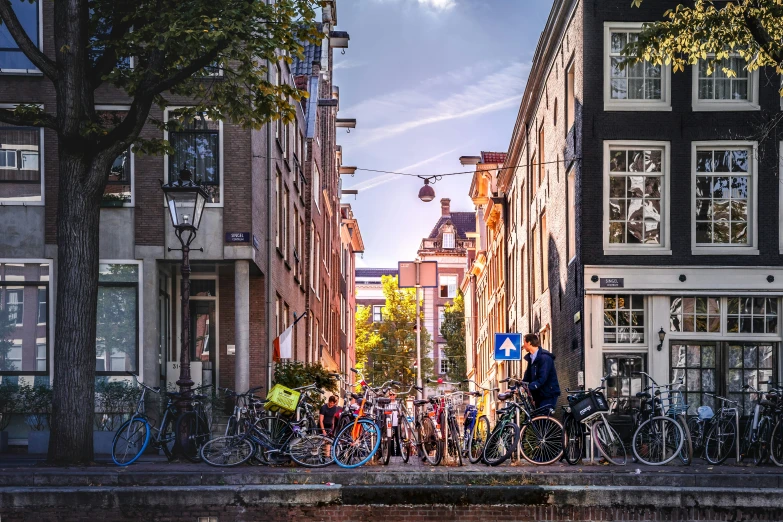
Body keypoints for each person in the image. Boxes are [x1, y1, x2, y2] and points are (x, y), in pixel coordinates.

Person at [521, 333, 560, 411]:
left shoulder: (545, 358)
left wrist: (527, 387)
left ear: (529, 343)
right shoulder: (531, 359)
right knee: (536, 420)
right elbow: (526, 378)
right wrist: (517, 388)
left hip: (548, 394)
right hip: (538, 395)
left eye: (524, 342)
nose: (523, 345)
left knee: (543, 419)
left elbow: (542, 379)